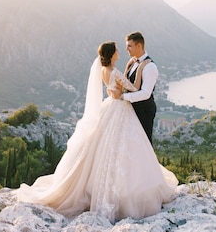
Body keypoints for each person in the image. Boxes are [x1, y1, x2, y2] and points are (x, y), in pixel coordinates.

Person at [16, 41, 178, 222]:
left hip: (109, 107)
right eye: (117, 50)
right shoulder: (116, 71)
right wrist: (130, 87)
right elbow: (134, 89)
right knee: (122, 148)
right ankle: (127, 192)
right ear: (112, 54)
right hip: (120, 109)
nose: (121, 52)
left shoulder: (103, 70)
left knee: (103, 146)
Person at [120, 31, 158, 143]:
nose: (127, 49)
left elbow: (145, 93)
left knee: (143, 144)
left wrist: (123, 97)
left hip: (144, 111)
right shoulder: (132, 62)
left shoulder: (150, 67)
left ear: (139, 46)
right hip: (132, 110)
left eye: (129, 46)